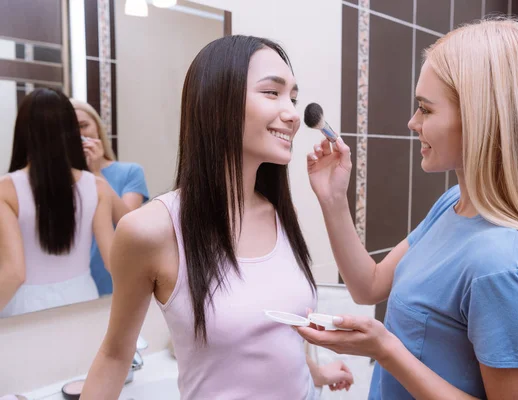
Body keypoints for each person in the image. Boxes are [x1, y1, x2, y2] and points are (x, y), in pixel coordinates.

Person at [297, 18, 518, 399]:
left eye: (425, 109)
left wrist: (386, 351)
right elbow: (368, 285)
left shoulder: (502, 265)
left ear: (480, 116)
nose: (412, 122)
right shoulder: (452, 205)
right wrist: (333, 200)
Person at [81, 35, 353, 399]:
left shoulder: (278, 214)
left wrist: (316, 373)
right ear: (216, 103)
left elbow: (277, 334)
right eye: (272, 93)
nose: (291, 113)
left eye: (293, 97)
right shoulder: (150, 231)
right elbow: (116, 355)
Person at [0, 88, 114, 317]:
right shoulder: (97, 186)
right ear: (71, 131)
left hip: (24, 308)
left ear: (22, 131)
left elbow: (14, 272)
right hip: (83, 299)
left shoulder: (6, 189)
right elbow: (113, 261)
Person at [70, 99, 149, 295]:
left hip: (112, 276)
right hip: (74, 280)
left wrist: (96, 174)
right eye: (71, 128)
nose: (79, 133)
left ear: (97, 126)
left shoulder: (130, 172)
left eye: (84, 125)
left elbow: (128, 222)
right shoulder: (63, 178)